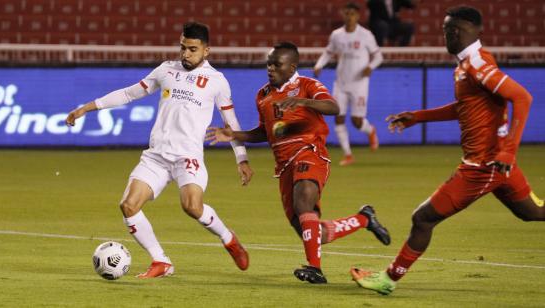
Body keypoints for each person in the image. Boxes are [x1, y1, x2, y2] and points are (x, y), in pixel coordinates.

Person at [350, 6, 544, 295]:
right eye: (446, 29)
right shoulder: (464, 66)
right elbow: (464, 108)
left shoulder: (477, 64)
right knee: (533, 213)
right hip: (497, 165)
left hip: (484, 166)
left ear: (477, 32)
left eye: (457, 30)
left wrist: (509, 152)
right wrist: (419, 116)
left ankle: (389, 279)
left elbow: (523, 97)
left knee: (423, 218)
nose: (449, 35)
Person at [66, 22, 253, 278]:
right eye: (182, 48)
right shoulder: (166, 70)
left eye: (192, 49)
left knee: (192, 206)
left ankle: (228, 238)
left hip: (188, 156)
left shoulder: (217, 82)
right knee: (128, 205)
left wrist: (241, 159)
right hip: (157, 155)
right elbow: (129, 94)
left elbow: (231, 124)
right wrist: (86, 107)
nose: (185, 54)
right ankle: (161, 261)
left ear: (207, 50)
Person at [206, 42, 391, 284]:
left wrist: (303, 102)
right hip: (283, 166)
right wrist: (235, 135)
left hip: (310, 151)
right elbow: (266, 131)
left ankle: (315, 268)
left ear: (292, 66)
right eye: (268, 64)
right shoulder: (263, 95)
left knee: (304, 198)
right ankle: (364, 218)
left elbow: (333, 107)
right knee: (313, 233)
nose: (270, 68)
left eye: (276, 64)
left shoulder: (307, 85)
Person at [314, 1, 383, 166]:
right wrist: (319, 64)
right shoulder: (337, 35)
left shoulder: (366, 35)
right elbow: (328, 53)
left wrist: (370, 66)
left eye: (352, 14)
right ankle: (348, 154)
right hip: (341, 83)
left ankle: (370, 130)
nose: (349, 17)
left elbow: (379, 56)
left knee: (357, 121)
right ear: (343, 14)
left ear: (358, 16)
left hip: (359, 84)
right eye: (347, 13)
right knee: (338, 117)